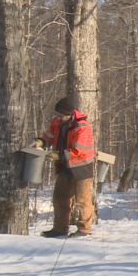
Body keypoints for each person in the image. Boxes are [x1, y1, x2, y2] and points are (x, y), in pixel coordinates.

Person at [33, 97, 96, 238]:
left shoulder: (82, 126)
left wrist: (57, 156)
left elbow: (77, 151)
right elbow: (49, 135)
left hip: (81, 169)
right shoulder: (57, 122)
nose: (57, 118)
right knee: (60, 198)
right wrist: (41, 142)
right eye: (56, 115)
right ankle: (60, 229)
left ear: (69, 114)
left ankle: (84, 229)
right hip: (64, 167)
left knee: (82, 200)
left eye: (60, 116)